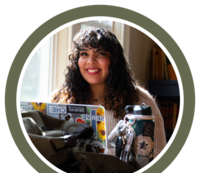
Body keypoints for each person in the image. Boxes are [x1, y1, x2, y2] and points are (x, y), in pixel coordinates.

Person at [51, 27, 166, 157]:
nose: (91, 61)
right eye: (84, 54)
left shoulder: (142, 101)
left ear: (114, 61)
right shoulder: (59, 98)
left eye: (100, 53)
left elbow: (159, 153)